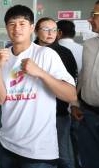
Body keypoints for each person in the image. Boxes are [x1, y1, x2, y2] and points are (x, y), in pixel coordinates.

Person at [0, 4, 77, 168]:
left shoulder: (46, 54)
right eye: (12, 24)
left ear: (31, 28)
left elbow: (71, 95)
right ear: (6, 28)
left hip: (38, 151)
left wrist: (41, 73)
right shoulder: (0, 57)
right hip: (7, 145)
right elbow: (0, 100)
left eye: (22, 24)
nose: (17, 28)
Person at [35, 17, 77, 168]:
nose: (50, 33)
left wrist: (73, 105)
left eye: (54, 30)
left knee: (63, 155)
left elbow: (71, 85)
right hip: (33, 113)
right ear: (36, 31)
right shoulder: (29, 52)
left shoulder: (65, 53)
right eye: (45, 29)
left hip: (59, 113)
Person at [74, 0, 99, 168]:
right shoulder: (89, 44)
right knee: (89, 161)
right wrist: (75, 103)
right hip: (88, 115)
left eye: (94, 14)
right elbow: (84, 75)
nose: (89, 19)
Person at [56, 19, 83, 168]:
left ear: (59, 32)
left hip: (61, 104)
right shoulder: (84, 49)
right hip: (80, 104)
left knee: (61, 146)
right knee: (79, 142)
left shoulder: (55, 50)